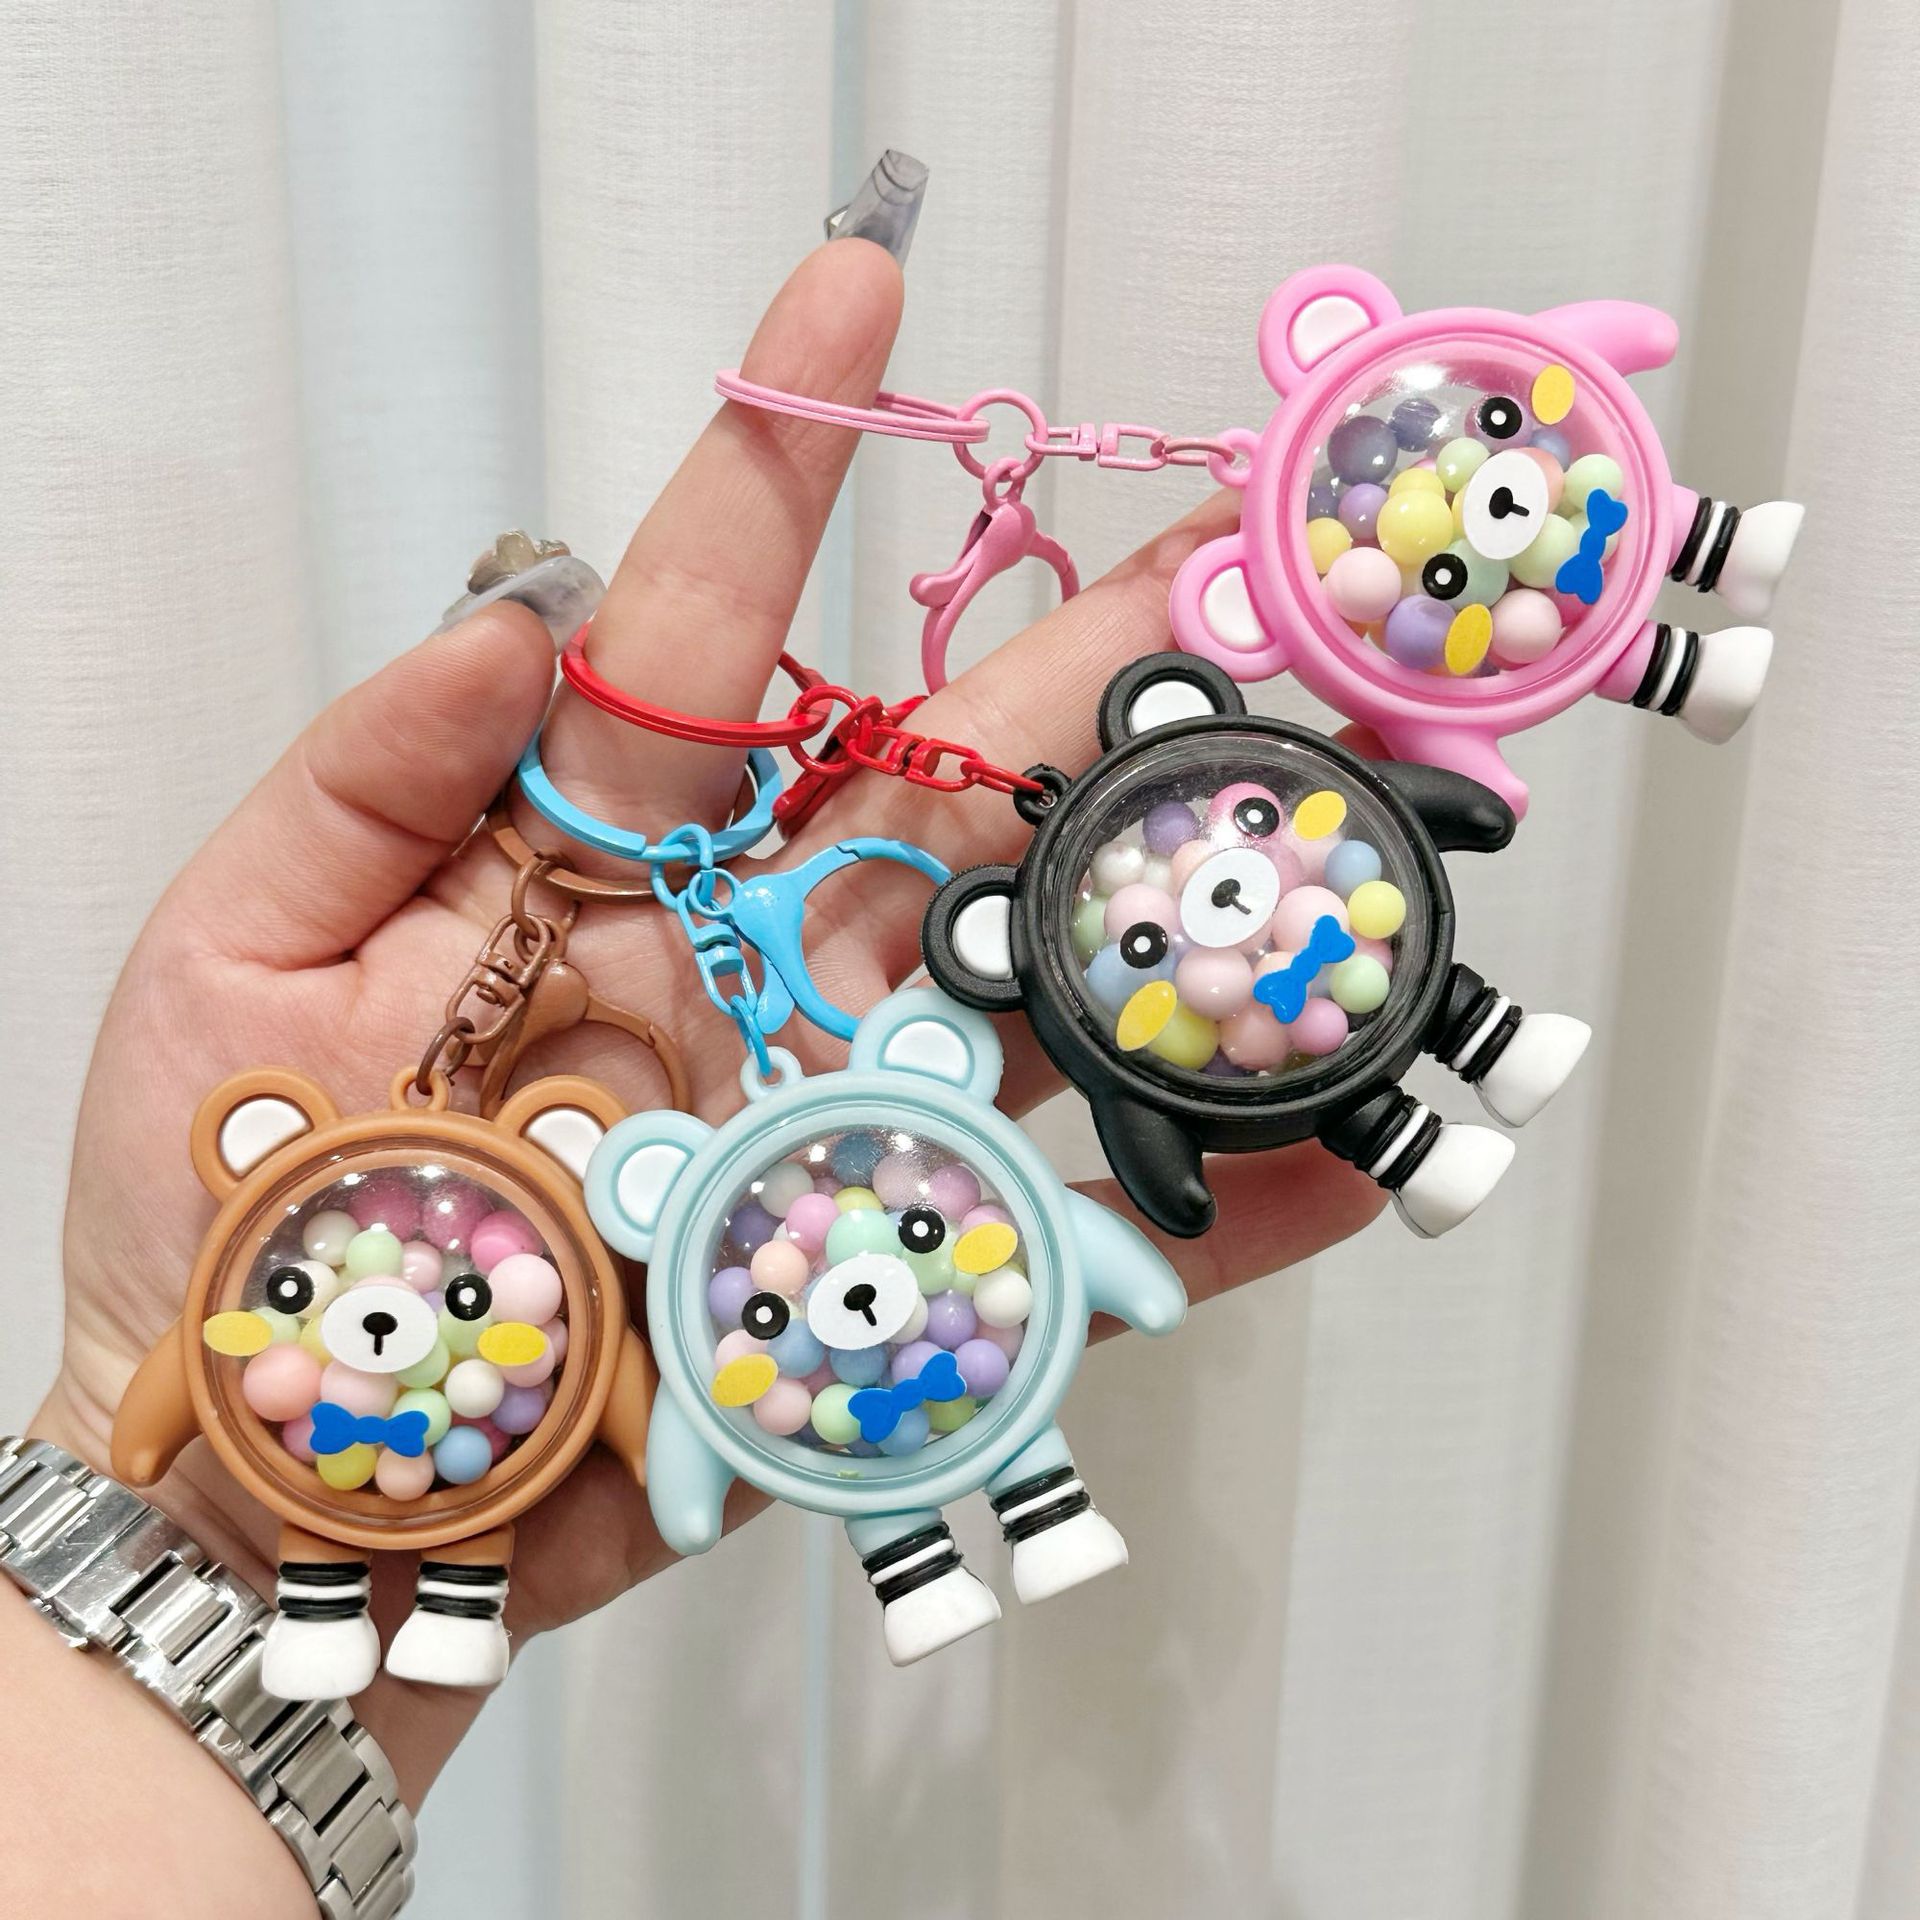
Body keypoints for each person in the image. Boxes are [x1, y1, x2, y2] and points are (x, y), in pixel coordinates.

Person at [0, 237, 1379, 1918]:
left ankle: (1000, 1519)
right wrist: (160, 1478)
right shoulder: (433, 1280)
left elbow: (656, 1391)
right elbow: (212, 1406)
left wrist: (139, 1498)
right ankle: (803, 1564)